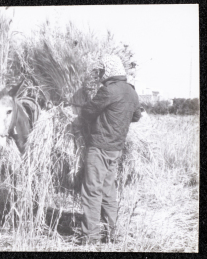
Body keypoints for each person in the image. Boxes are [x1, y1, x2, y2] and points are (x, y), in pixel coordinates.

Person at [78, 55, 141, 245]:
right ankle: (113, 234)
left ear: (110, 71)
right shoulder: (131, 92)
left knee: (92, 191)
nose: (101, 75)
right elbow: (136, 116)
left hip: (99, 148)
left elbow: (87, 111)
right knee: (108, 191)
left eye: (103, 71)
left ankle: (90, 237)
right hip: (116, 149)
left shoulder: (108, 90)